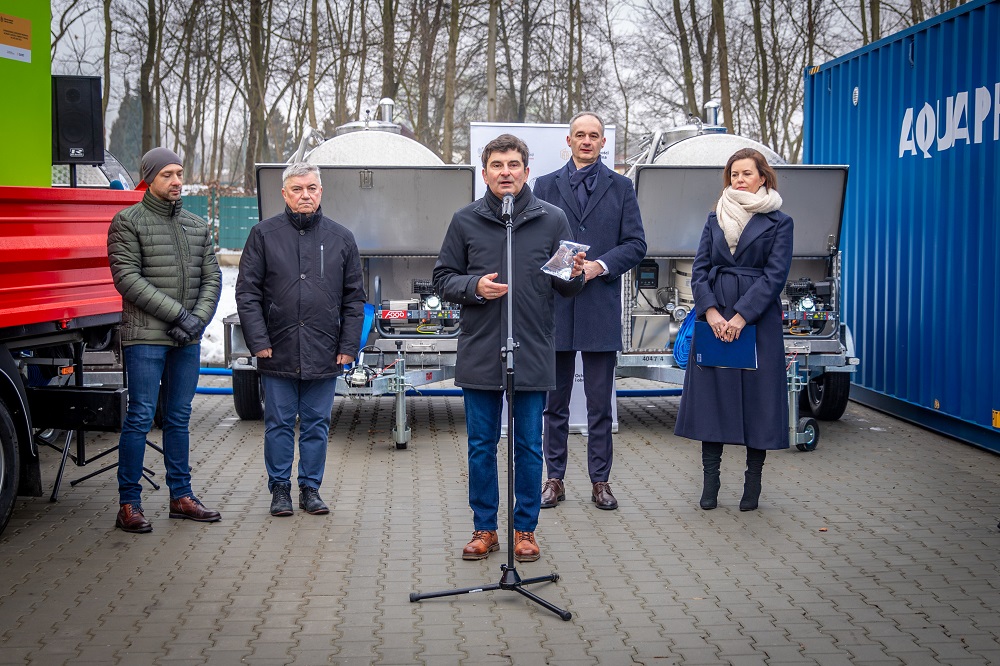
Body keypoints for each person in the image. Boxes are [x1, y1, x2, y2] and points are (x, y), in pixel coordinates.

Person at [433, 134, 586, 562]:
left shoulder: (553, 220)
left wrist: (576, 274)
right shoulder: (465, 220)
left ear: (526, 171)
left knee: (529, 447)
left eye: (513, 164)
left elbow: (566, 288)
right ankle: (485, 528)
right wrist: (474, 287)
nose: (506, 172)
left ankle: (525, 530)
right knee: (481, 446)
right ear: (484, 173)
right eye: (497, 165)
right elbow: (443, 278)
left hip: (532, 349)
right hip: (481, 350)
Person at [236, 162, 366, 518]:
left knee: (316, 424)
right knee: (278, 423)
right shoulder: (264, 235)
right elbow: (247, 293)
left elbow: (354, 299)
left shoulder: (341, 238)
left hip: (324, 349)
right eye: (297, 189)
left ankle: (311, 488)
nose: (304, 195)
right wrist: (258, 340)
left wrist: (348, 346)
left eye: (311, 188)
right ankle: (280, 489)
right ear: (284, 193)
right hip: (276, 348)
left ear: (320, 191)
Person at [534, 112, 646, 511]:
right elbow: (537, 241)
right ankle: (554, 479)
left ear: (602, 142)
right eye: (579, 135)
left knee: (600, 405)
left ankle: (601, 482)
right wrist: (562, 266)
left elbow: (636, 244)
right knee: (555, 404)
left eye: (593, 135)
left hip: (600, 307)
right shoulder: (545, 185)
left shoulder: (622, 187)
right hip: (557, 307)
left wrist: (599, 266)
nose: (586, 141)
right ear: (568, 141)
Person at [107, 147, 223, 533]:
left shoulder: (196, 225)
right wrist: (179, 315)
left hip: (185, 338)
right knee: (141, 416)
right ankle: (129, 504)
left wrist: (196, 321)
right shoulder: (127, 222)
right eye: (167, 175)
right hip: (145, 338)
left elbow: (212, 277)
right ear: (149, 178)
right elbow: (128, 279)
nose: (176, 181)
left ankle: (181, 497)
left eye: (179, 173)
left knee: (179, 417)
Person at [674, 148, 794, 511]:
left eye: (746, 173)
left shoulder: (780, 221)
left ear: (763, 177)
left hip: (758, 321)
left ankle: (752, 485)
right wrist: (710, 312)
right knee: (712, 401)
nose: (739, 180)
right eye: (734, 174)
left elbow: (775, 276)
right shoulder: (715, 217)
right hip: (715, 318)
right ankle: (710, 484)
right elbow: (699, 269)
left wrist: (742, 316)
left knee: (759, 402)